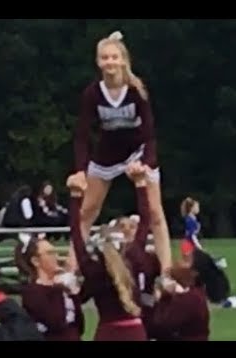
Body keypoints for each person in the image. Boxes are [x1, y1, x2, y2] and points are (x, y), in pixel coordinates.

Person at [70, 30, 172, 272]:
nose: (110, 62)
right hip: (106, 155)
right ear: (98, 62)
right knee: (86, 213)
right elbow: (82, 135)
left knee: (155, 213)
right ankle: (71, 271)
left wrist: (145, 163)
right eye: (104, 58)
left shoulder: (137, 90)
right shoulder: (92, 94)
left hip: (137, 152)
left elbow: (149, 133)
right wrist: (81, 170)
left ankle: (167, 272)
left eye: (114, 57)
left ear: (123, 60)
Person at [68, 161, 153, 341]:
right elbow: (146, 220)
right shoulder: (135, 257)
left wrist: (75, 196)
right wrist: (140, 184)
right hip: (136, 333)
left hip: (108, 333)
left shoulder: (95, 269)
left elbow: (77, 233)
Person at [14, 236, 84, 341]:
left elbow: (79, 326)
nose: (56, 256)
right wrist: (57, 289)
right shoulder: (32, 292)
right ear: (36, 261)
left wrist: (72, 293)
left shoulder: (61, 286)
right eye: (50, 253)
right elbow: (56, 323)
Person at [151, 263, 210, 341]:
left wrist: (161, 299)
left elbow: (161, 325)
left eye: (168, 278)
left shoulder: (185, 300)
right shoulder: (195, 295)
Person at [180, 197, 202, 265]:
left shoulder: (193, 219)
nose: (198, 209)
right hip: (188, 245)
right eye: (196, 207)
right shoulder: (190, 220)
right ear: (191, 208)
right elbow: (192, 235)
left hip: (191, 244)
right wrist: (198, 245)